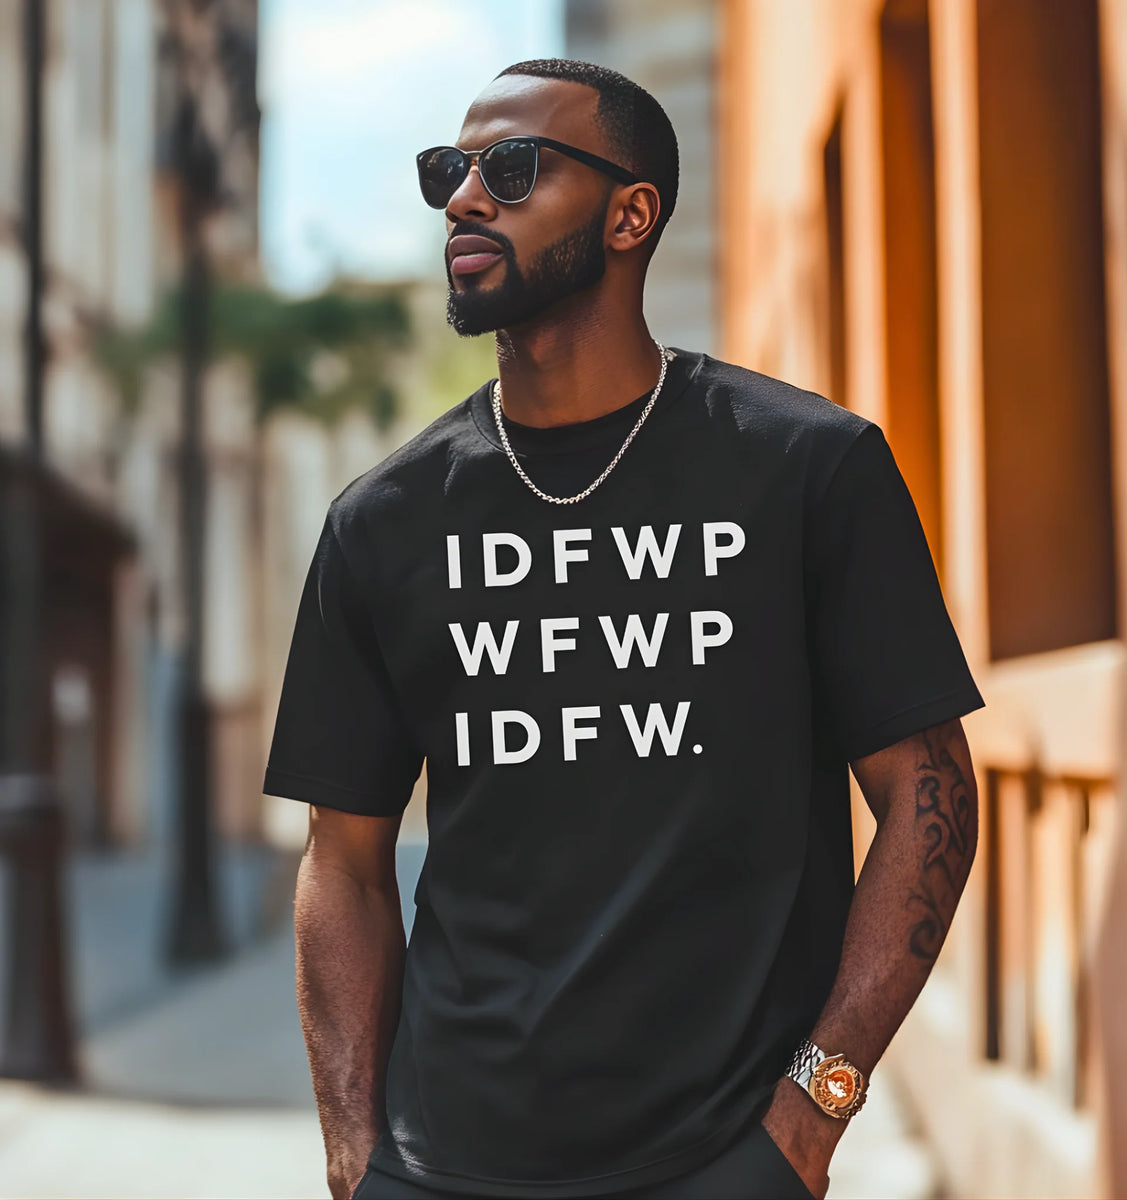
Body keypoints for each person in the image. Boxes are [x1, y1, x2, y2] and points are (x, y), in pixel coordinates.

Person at [264, 58, 984, 1200]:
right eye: (448, 173)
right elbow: (342, 862)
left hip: (720, 1160)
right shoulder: (383, 524)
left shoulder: (807, 471)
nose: (463, 200)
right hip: (444, 1163)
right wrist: (355, 1156)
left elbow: (930, 790)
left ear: (630, 213)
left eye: (509, 169)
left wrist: (812, 1117)